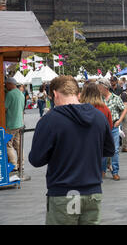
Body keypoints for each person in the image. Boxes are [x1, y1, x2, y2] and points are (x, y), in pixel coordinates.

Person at [29, 76, 115, 225]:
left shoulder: (49, 120)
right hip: (92, 192)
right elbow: (109, 150)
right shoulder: (99, 117)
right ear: (78, 94)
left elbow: (36, 159)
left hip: (65, 192)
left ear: (55, 94)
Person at [97, 78, 127, 180]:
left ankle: (115, 171)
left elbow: (124, 109)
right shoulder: (98, 99)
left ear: (105, 87)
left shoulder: (115, 98)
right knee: (102, 150)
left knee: (115, 150)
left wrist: (119, 120)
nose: (98, 89)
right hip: (101, 127)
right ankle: (102, 170)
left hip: (113, 126)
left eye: (100, 87)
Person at [5, 77, 25, 174]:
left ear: (10, 84)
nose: (5, 86)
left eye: (6, 84)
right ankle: (21, 164)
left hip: (11, 124)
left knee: (8, 144)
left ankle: (13, 165)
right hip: (20, 123)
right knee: (18, 145)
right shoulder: (21, 93)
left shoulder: (9, 94)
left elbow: (4, 108)